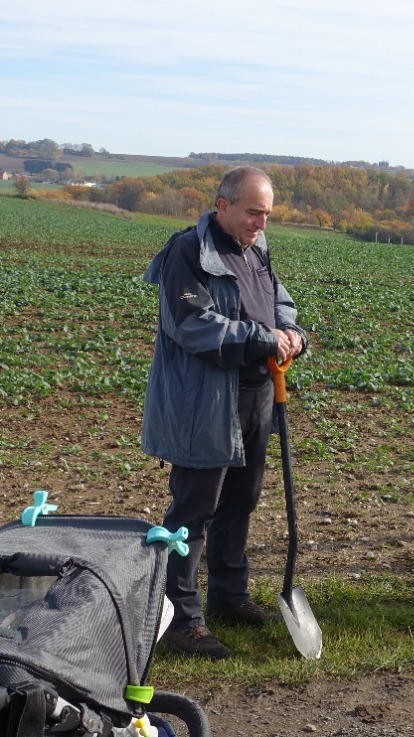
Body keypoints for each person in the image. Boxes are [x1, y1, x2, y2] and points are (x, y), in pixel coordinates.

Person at [141, 166, 308, 659]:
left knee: (241, 501)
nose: (261, 222)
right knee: (193, 512)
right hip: (205, 402)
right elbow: (191, 324)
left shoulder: (256, 251)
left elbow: (281, 306)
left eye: (267, 214)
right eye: (253, 211)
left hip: (256, 395)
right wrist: (261, 338)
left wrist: (292, 334)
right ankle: (180, 617)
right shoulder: (187, 252)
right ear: (223, 205)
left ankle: (230, 597)